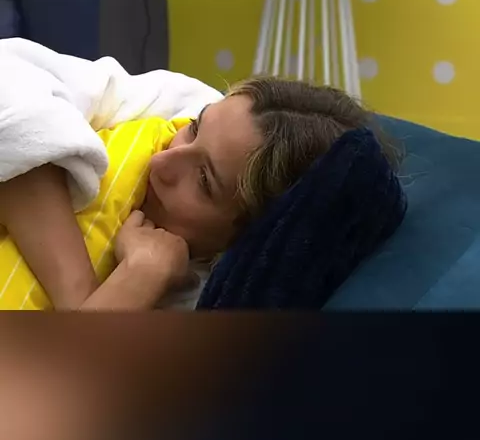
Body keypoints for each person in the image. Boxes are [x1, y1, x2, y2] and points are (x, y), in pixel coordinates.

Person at [0, 71, 399, 311]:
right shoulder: (168, 106)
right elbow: (14, 98)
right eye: (194, 129)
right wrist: (81, 297)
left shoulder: (205, 300)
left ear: (243, 236)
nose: (163, 161)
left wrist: (141, 278)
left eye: (204, 181)